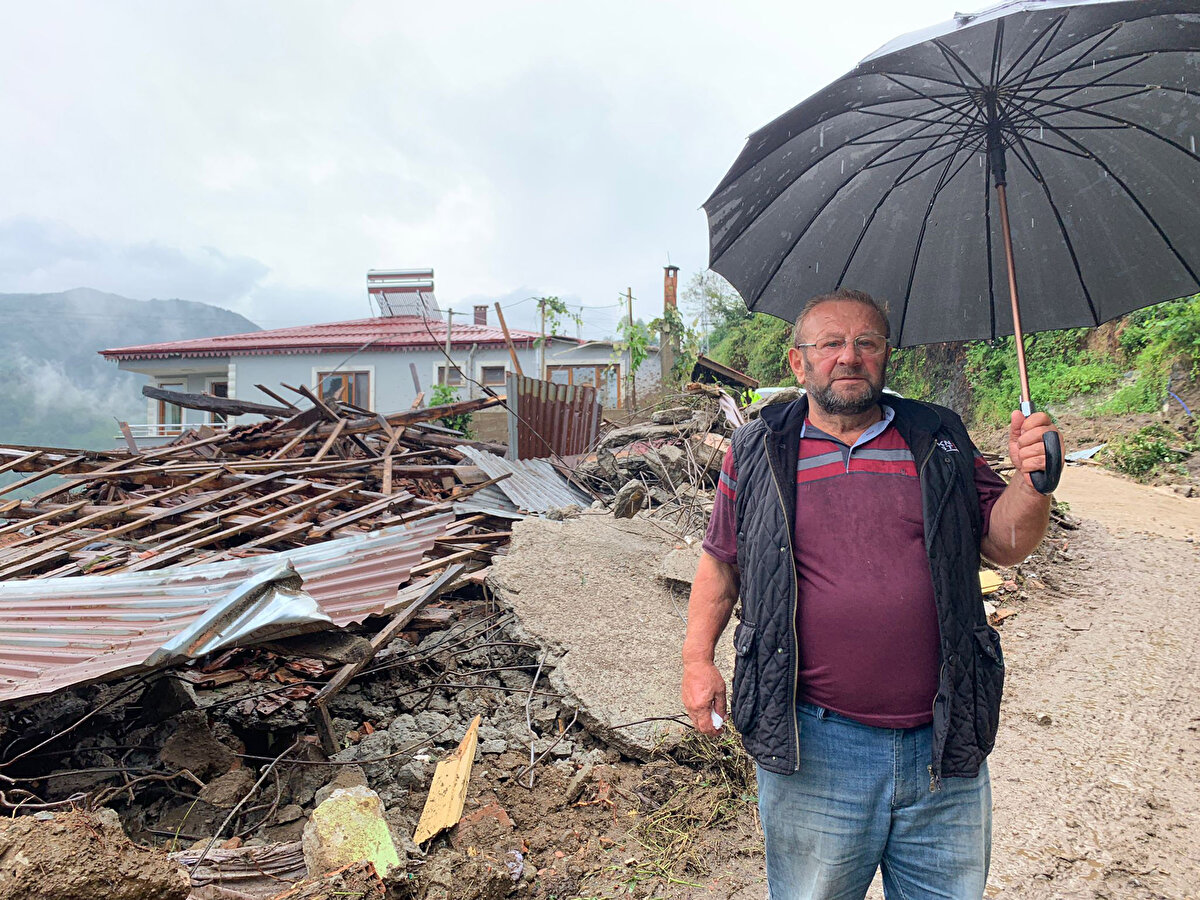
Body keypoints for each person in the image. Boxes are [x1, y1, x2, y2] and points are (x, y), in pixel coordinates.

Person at [680, 288, 1059, 899]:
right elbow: (722, 565)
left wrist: (1033, 480)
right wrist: (697, 660)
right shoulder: (759, 448)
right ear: (798, 362)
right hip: (815, 748)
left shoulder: (937, 437)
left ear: (887, 356)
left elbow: (1005, 543)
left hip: (945, 741)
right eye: (830, 344)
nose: (848, 357)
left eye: (866, 342)